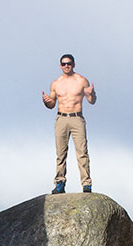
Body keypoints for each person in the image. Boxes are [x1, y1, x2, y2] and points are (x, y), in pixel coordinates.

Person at [41, 54, 96, 194]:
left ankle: (86, 184)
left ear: (74, 64)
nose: (67, 66)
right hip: (61, 118)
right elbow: (52, 104)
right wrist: (46, 102)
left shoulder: (82, 81)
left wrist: (91, 93)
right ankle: (60, 183)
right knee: (61, 153)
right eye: (64, 64)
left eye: (69, 63)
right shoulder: (56, 83)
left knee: (82, 152)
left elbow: (91, 101)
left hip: (77, 118)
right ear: (60, 65)